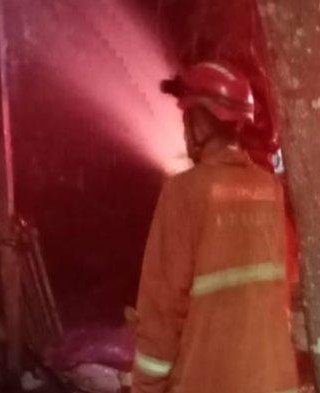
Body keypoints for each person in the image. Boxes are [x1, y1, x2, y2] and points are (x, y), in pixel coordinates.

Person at [132, 62, 298, 393]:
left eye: (186, 119)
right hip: (275, 381)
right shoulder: (270, 190)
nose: (183, 130)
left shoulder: (183, 193)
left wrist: (147, 385)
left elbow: (162, 310)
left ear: (200, 121)